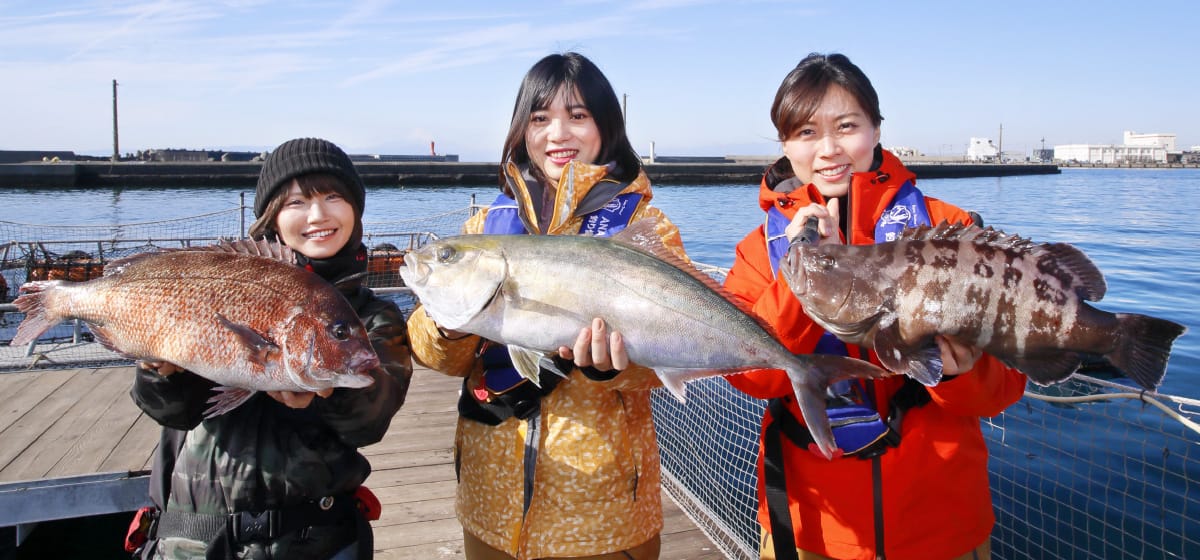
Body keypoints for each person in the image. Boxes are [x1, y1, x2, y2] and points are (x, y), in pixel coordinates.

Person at [722, 53, 1029, 560]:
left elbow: (1002, 390)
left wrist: (960, 375)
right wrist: (803, 275)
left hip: (943, 524)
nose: (828, 149)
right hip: (810, 526)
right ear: (784, 144)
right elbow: (750, 376)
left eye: (847, 126)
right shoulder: (761, 249)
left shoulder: (949, 228)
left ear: (877, 128)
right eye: (804, 132)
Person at [406, 52, 688, 560]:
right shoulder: (485, 230)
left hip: (603, 514)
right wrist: (446, 328)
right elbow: (440, 359)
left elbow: (668, 356)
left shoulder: (646, 227)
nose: (558, 133)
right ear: (522, 130)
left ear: (606, 126)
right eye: (540, 118)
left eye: (577, 116)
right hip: (489, 504)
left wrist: (614, 371)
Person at [129, 137, 413, 559]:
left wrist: (326, 395)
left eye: (333, 196)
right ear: (272, 217)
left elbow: (368, 423)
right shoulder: (222, 284)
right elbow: (174, 412)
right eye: (296, 202)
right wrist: (159, 369)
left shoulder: (373, 318)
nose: (317, 214)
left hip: (314, 540)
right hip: (192, 538)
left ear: (356, 208)